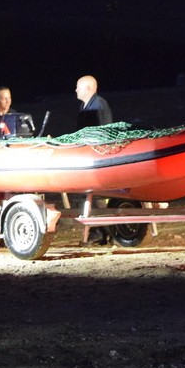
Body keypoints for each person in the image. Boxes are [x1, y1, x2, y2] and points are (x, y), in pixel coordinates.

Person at [75, 75, 114, 245]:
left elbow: (103, 132)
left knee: (96, 197)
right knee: (91, 198)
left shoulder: (99, 105)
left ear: (88, 88)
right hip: (87, 155)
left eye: (78, 87)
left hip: (96, 157)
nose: (75, 90)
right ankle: (99, 231)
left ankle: (103, 230)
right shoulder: (84, 106)